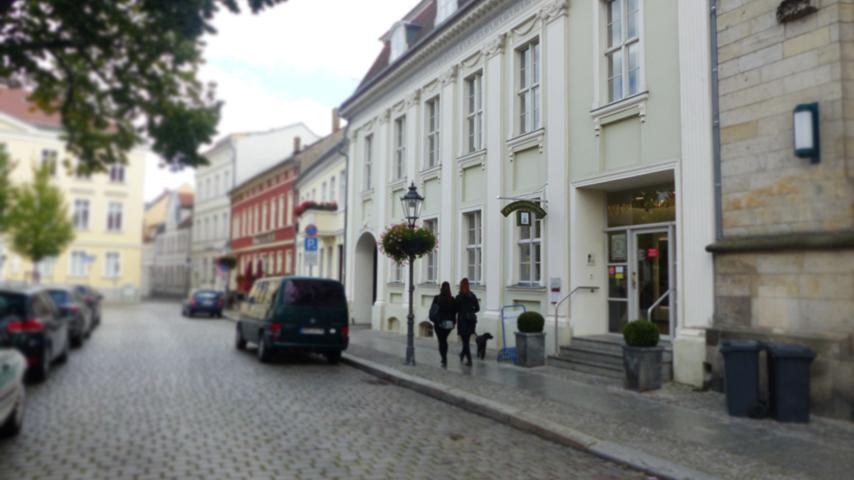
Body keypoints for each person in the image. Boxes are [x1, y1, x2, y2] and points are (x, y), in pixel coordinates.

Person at [429, 282, 456, 368]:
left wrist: (434, 320)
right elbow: (454, 312)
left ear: (441, 288)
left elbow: (432, 310)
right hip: (448, 324)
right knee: (444, 340)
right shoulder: (452, 299)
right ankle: (444, 358)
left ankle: (443, 358)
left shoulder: (437, 298)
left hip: (439, 323)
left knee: (441, 341)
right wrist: (454, 322)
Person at [455, 278, 480, 366]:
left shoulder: (459, 297)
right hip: (471, 321)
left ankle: (469, 361)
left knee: (465, 342)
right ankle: (462, 355)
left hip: (462, 321)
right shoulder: (472, 296)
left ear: (461, 286)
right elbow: (477, 308)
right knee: (466, 341)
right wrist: (471, 311)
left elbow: (455, 309)